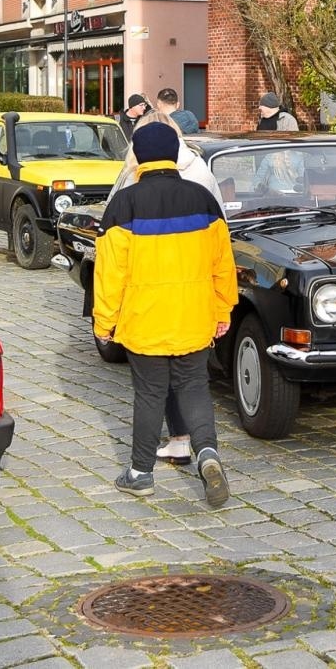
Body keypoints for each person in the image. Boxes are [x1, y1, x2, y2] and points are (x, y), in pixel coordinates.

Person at [94, 123, 236, 506]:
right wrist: (223, 309)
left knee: (150, 392)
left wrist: (103, 323)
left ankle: (140, 473)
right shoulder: (203, 199)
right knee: (194, 387)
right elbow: (223, 264)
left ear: (138, 156)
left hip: (145, 320)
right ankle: (207, 453)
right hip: (194, 316)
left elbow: (109, 275)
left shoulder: (123, 205)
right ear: (176, 153)